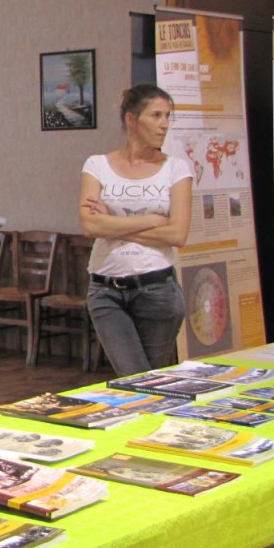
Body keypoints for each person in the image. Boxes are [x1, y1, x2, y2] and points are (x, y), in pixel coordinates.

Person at [79, 83, 193, 377]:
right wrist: (152, 221)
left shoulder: (177, 169)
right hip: (105, 289)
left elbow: (177, 234)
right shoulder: (97, 165)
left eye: (168, 116)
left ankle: (159, 422)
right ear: (131, 119)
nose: (164, 124)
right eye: (156, 115)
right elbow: (91, 224)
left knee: (149, 381)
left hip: (157, 288)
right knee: (134, 377)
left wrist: (114, 226)